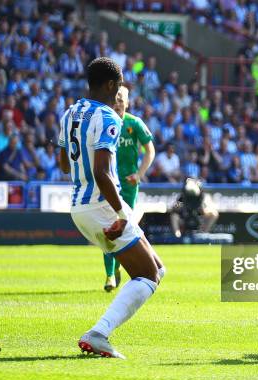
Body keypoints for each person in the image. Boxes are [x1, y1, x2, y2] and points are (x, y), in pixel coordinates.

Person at [58, 57, 166, 359]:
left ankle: (99, 333)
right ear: (110, 85)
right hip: (103, 206)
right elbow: (102, 173)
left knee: (157, 267)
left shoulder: (69, 113)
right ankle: (99, 334)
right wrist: (121, 214)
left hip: (79, 206)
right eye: (118, 87)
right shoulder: (108, 117)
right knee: (148, 276)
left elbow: (64, 164)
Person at [103, 85, 156, 292]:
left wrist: (139, 174)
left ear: (128, 102)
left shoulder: (135, 124)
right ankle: (109, 274)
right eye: (115, 98)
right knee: (108, 227)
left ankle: (116, 268)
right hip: (108, 183)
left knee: (122, 228)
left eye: (121, 98)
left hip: (128, 185)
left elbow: (150, 151)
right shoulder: (106, 122)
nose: (117, 102)